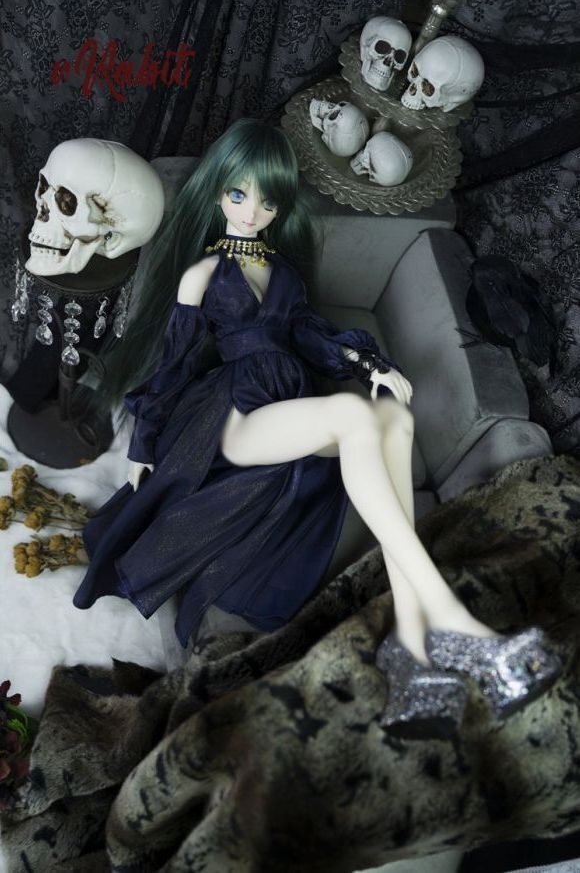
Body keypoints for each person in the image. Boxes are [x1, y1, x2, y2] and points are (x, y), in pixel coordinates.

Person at [73, 118, 560, 738]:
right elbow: (173, 364)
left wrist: (370, 364)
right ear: (220, 192)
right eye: (240, 194)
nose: (253, 211)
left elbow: (309, 333)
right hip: (234, 415)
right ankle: (453, 621)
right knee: (355, 414)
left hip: (290, 399)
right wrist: (143, 446)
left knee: (391, 415)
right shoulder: (203, 275)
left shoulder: (283, 274)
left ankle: (413, 650)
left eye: (267, 201)